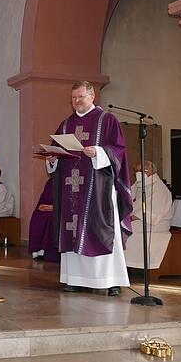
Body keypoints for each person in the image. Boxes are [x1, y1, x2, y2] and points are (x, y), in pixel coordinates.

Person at [47, 81, 133, 297]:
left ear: (92, 96)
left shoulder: (107, 120)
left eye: (81, 97)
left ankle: (110, 280)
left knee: (101, 229)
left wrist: (99, 152)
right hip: (72, 188)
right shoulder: (66, 125)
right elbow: (58, 152)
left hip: (98, 189)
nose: (76, 101)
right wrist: (52, 158)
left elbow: (119, 151)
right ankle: (75, 279)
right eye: (73, 98)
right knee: (73, 230)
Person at [124, 161, 174, 269]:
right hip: (138, 220)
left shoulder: (159, 188)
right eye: (136, 171)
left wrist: (129, 218)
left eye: (141, 171)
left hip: (155, 223)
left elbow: (153, 211)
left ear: (151, 171)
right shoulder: (139, 184)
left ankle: (127, 266)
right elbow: (126, 197)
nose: (138, 173)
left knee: (124, 230)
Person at [28, 177, 60, 262]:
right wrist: (41, 206)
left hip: (59, 211)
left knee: (51, 217)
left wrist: (55, 207)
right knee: (37, 215)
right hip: (49, 209)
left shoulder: (65, 181)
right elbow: (44, 198)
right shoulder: (50, 182)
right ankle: (37, 249)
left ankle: (45, 249)